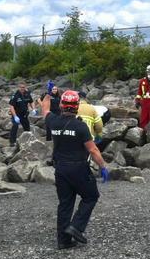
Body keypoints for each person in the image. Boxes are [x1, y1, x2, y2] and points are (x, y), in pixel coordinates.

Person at [40, 88, 110, 250]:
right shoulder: (80, 126)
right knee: (91, 196)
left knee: (65, 203)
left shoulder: (53, 121)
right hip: (78, 168)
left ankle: (63, 240)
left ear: (61, 105)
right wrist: (103, 167)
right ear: (77, 106)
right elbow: (93, 150)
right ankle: (76, 227)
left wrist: (48, 94)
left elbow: (45, 109)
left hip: (60, 168)